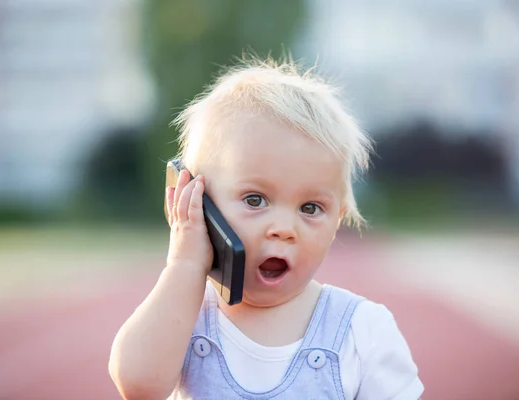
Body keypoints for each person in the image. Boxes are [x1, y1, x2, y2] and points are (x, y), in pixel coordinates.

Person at [109, 55, 424, 399]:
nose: (284, 229)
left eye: (310, 207)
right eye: (255, 200)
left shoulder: (362, 332)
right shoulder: (182, 320)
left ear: (337, 221)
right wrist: (184, 264)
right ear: (198, 205)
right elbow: (138, 385)